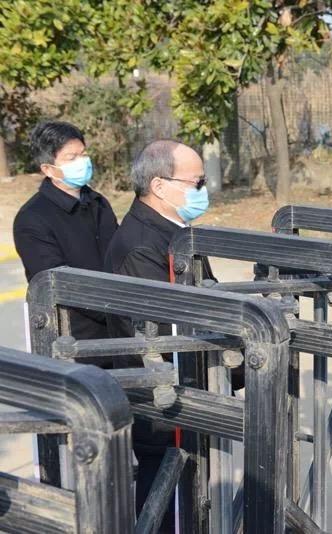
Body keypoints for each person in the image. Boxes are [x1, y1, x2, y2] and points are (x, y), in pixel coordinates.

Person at [105, 139, 211, 533]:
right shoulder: (142, 245)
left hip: (183, 388)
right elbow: (168, 329)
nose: (203, 191)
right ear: (160, 186)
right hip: (161, 399)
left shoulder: (174, 230)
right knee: (164, 503)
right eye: (196, 182)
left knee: (189, 499)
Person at [13, 121, 118, 348]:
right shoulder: (32, 218)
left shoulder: (98, 203)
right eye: (71, 158)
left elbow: (119, 255)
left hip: (120, 328)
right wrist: (113, 308)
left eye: (84, 154)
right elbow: (57, 283)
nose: (82, 162)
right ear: (48, 169)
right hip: (73, 340)